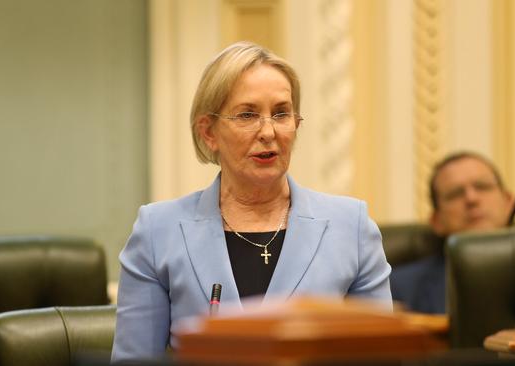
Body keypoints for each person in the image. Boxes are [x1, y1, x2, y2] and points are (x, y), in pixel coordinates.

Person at [110, 41, 392, 363]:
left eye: (282, 113)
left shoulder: (351, 227)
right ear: (208, 132)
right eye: (248, 115)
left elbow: (380, 357)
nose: (269, 131)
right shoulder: (158, 232)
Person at [389, 151, 515, 314]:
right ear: (436, 221)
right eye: (455, 194)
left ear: (509, 203)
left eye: (482, 187)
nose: (471, 199)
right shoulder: (398, 288)